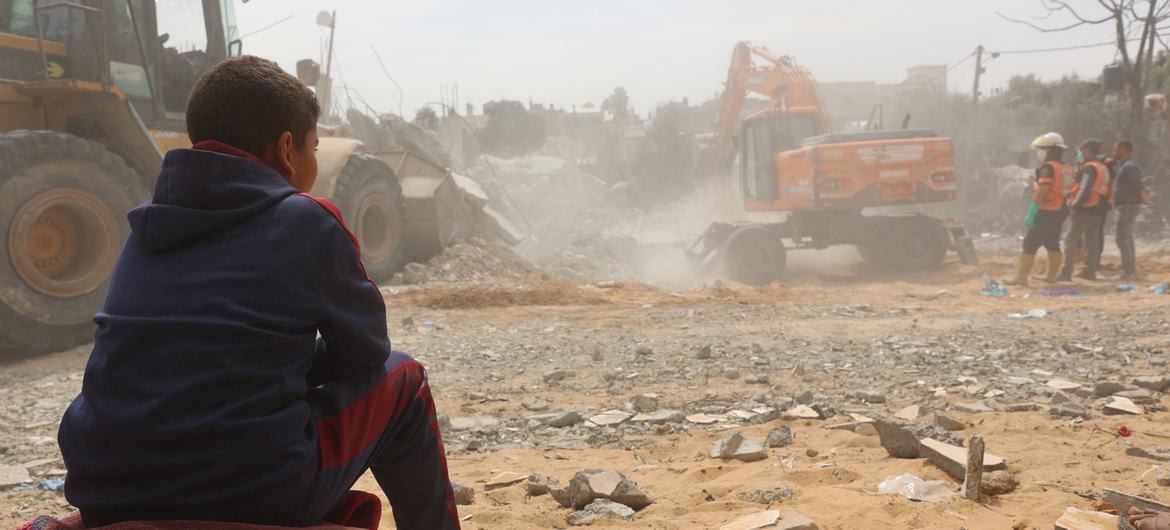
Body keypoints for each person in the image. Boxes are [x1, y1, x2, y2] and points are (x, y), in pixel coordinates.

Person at [56, 56, 460, 529]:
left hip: (106, 489)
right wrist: (290, 368)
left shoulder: (143, 229)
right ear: (287, 149)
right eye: (313, 146)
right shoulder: (309, 221)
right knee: (404, 376)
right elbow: (366, 351)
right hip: (255, 491)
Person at [1005, 132, 1069, 287]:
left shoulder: (1048, 168)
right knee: (1052, 242)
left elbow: (1042, 191)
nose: (1039, 152)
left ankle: (1021, 277)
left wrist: (1032, 211)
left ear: (1051, 150)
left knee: (1030, 244)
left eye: (1042, 149)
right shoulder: (1065, 168)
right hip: (1060, 210)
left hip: (1045, 211)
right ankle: (1051, 276)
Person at [1057, 139, 1110, 281]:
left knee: (1070, 239)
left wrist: (1074, 205)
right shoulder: (1102, 167)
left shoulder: (1089, 168)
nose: (1080, 153)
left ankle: (1066, 272)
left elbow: (1085, 188)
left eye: (1082, 150)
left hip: (1085, 208)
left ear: (1087, 150)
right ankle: (1089, 271)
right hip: (1099, 209)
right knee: (1092, 242)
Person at [1112, 139, 1147, 280]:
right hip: (1127, 205)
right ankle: (1130, 270)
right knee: (1127, 238)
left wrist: (1141, 199)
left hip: (1128, 206)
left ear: (1123, 149)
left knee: (1121, 238)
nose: (1114, 152)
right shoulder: (1126, 165)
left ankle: (1128, 272)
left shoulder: (1129, 166)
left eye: (1116, 149)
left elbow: (1138, 185)